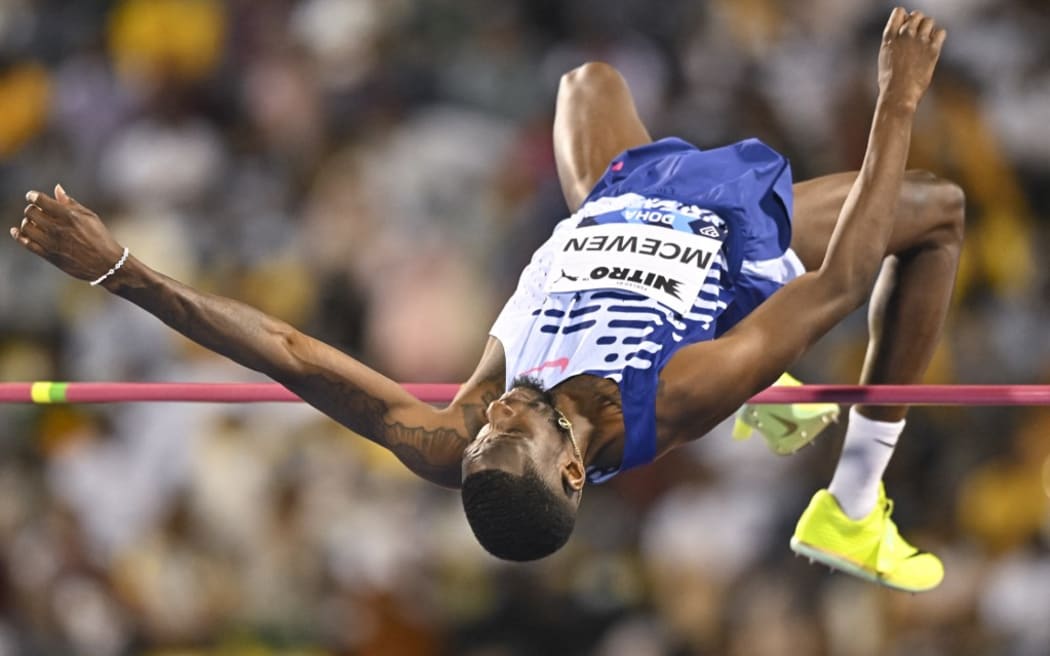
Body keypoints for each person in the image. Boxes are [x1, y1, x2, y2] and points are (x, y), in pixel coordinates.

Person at [12, 8, 958, 592]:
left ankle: (774, 389)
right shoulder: (669, 397)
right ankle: (857, 500)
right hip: (722, 241)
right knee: (938, 215)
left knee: (588, 80)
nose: (496, 410)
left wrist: (120, 269)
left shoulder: (459, 438)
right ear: (574, 470)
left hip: (614, 210)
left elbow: (288, 352)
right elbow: (840, 280)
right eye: (518, 425)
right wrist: (898, 100)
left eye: (487, 426)